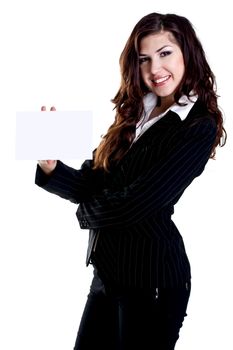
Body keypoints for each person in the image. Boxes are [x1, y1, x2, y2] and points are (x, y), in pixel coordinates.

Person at [35, 12, 226, 350]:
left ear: (187, 53)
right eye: (144, 59)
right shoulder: (137, 111)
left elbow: (137, 203)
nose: (155, 69)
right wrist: (51, 168)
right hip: (109, 274)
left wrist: (83, 213)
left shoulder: (197, 125)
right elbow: (94, 181)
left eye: (165, 53)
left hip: (152, 280)